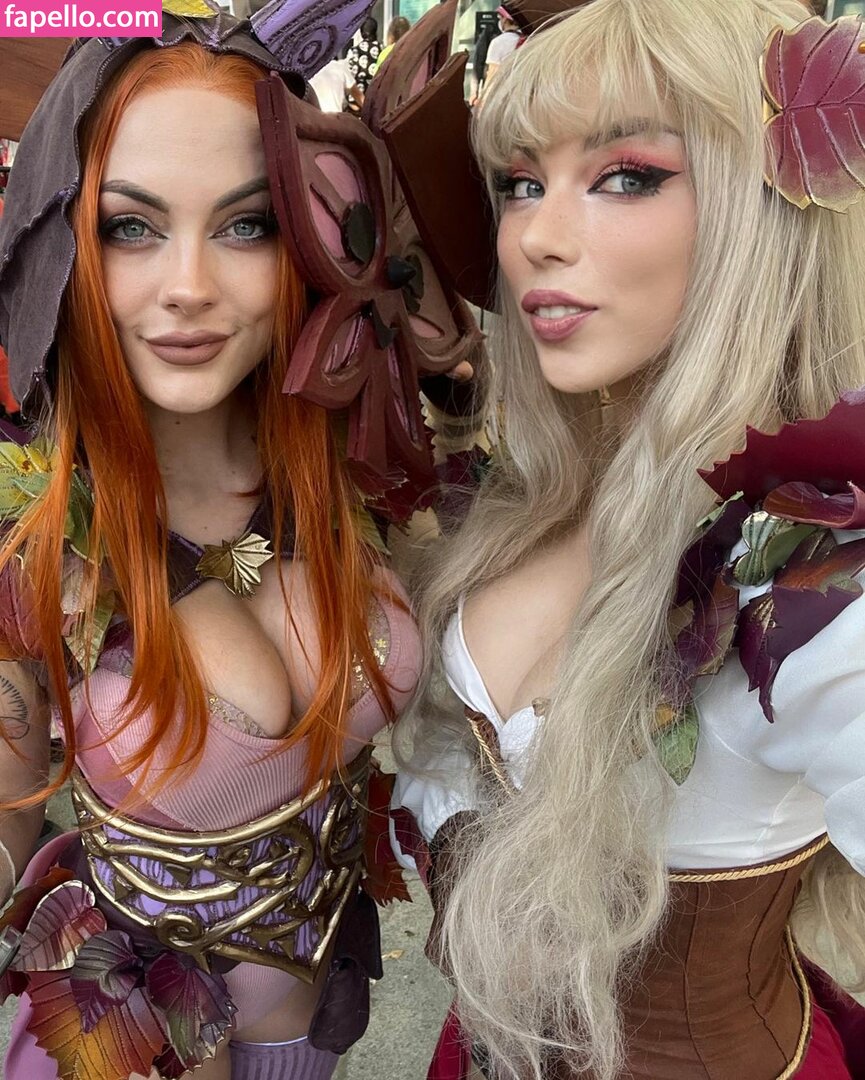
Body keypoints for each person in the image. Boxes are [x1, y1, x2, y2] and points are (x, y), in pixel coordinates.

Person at [0, 4, 481, 1078]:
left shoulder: (359, 468)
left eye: (246, 225)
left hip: (315, 1038)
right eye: (131, 227)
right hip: (131, 1052)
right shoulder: (26, 529)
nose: (189, 287)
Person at [393, 1, 865, 1078]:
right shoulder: (528, 499)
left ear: (760, 212)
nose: (534, 237)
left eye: (626, 176)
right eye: (520, 183)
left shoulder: (820, 586)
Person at [347, 16, 381, 94]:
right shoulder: (381, 49)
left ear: (361, 33)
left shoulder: (353, 51)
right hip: (375, 95)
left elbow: (348, 74)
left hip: (356, 96)